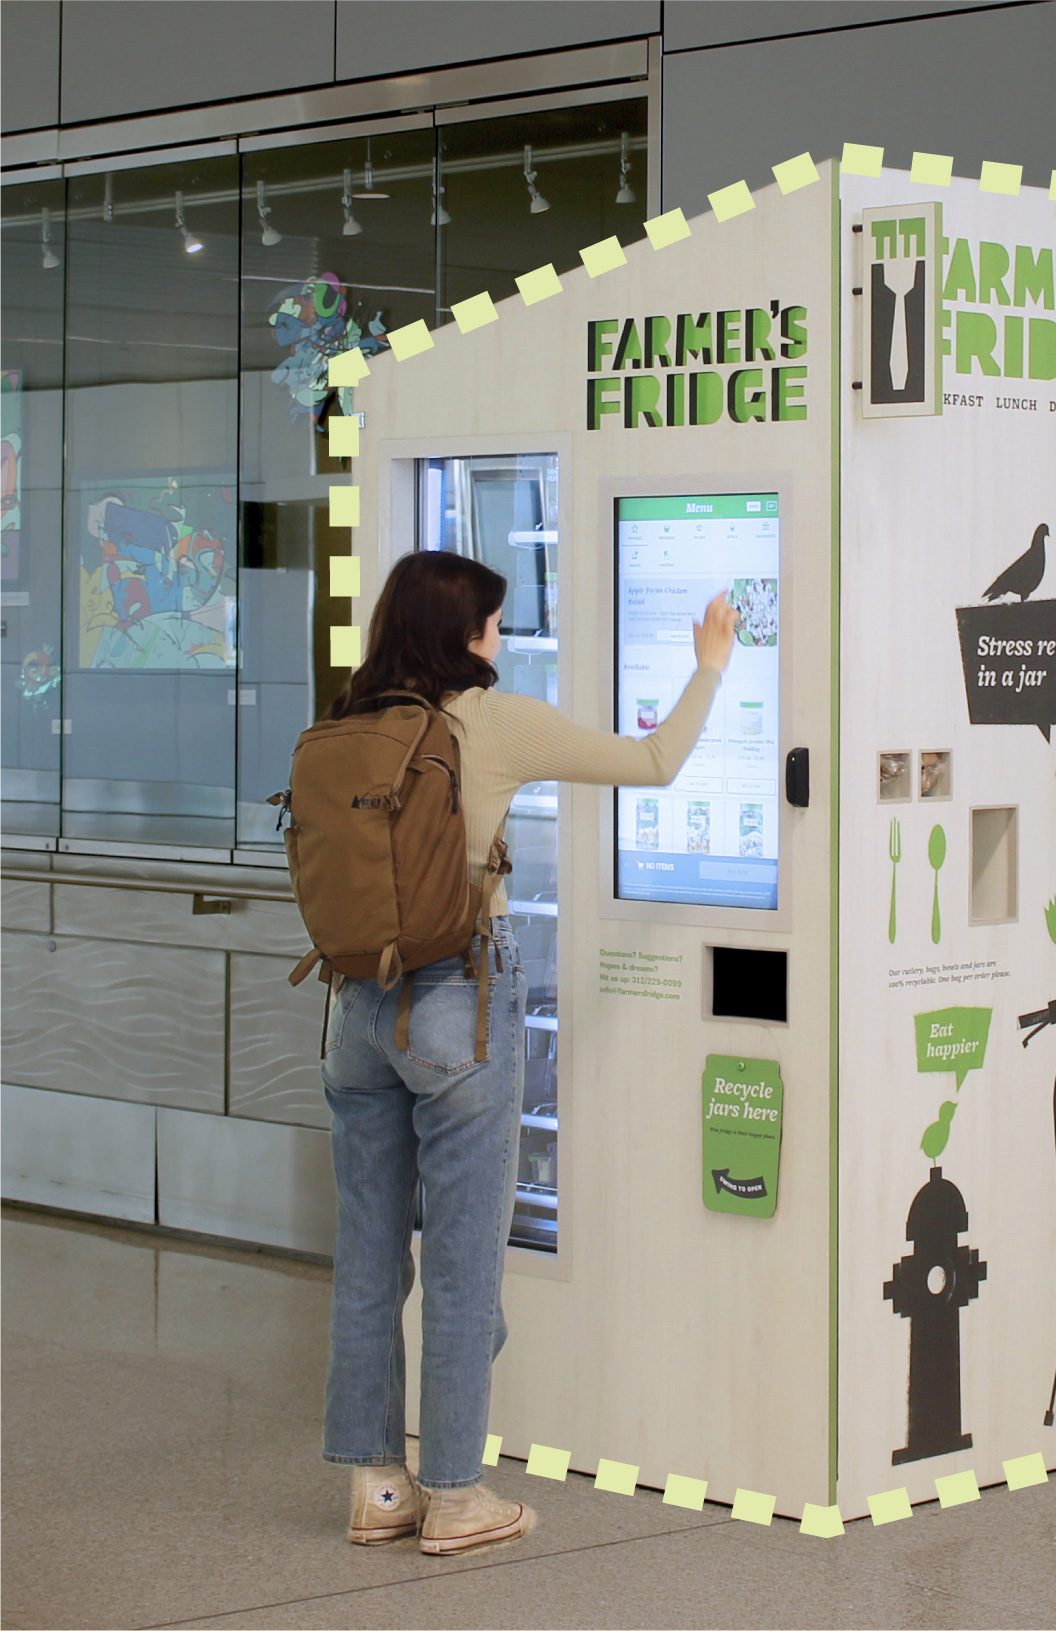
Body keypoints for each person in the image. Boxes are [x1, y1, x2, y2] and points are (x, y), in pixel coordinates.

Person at [318, 550, 737, 1554]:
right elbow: (652, 762)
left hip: (354, 1005)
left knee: (369, 1259)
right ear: (464, 634)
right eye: (495, 623)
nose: (501, 639)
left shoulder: (349, 716)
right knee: (463, 1265)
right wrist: (711, 665)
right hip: (455, 997)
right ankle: (456, 1495)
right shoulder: (489, 719)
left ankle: (378, 1487)